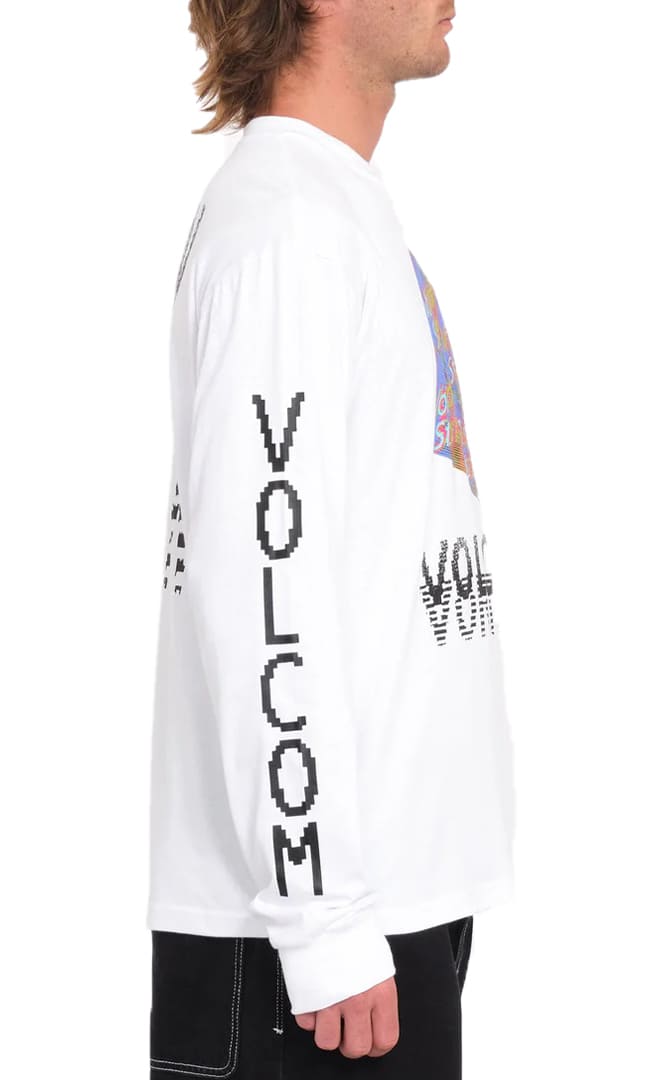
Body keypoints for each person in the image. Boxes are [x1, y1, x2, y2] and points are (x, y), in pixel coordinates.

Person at [147, 1, 516, 1077]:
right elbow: (264, 577)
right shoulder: (285, 227)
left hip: (370, 916)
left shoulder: (330, 207)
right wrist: (320, 921)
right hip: (308, 953)